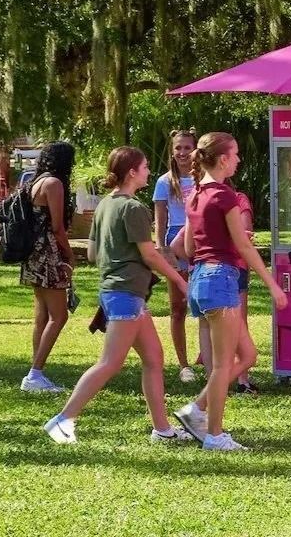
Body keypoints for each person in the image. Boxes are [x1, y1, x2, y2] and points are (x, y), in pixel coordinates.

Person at [43, 148, 194, 444]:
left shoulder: (104, 206)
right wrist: (179, 279)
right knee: (110, 363)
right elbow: (149, 254)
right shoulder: (134, 209)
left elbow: (92, 253)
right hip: (125, 294)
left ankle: (162, 430)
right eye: (145, 166)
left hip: (120, 293)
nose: (149, 171)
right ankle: (62, 421)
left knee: (154, 358)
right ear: (132, 173)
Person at [171, 133, 286, 452]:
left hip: (201, 280)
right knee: (224, 366)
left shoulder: (195, 194)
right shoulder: (224, 196)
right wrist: (273, 284)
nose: (238, 159)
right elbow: (245, 247)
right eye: (234, 154)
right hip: (221, 279)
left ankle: (196, 409)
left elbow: (188, 247)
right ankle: (215, 436)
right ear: (222, 158)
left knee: (248, 355)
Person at [18, 141, 79, 394]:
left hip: (33, 253)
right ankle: (34, 375)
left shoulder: (34, 182)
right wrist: (69, 254)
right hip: (48, 253)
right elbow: (57, 227)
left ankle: (36, 372)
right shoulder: (54, 184)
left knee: (42, 315)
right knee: (59, 315)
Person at [153, 130, 201, 383]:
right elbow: (159, 220)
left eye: (187, 148)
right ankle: (184, 365)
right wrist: (162, 249)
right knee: (177, 308)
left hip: (201, 241)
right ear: (172, 151)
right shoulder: (164, 182)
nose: (182, 153)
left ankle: (209, 354)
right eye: (178, 148)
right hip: (175, 243)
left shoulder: (204, 178)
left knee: (207, 304)